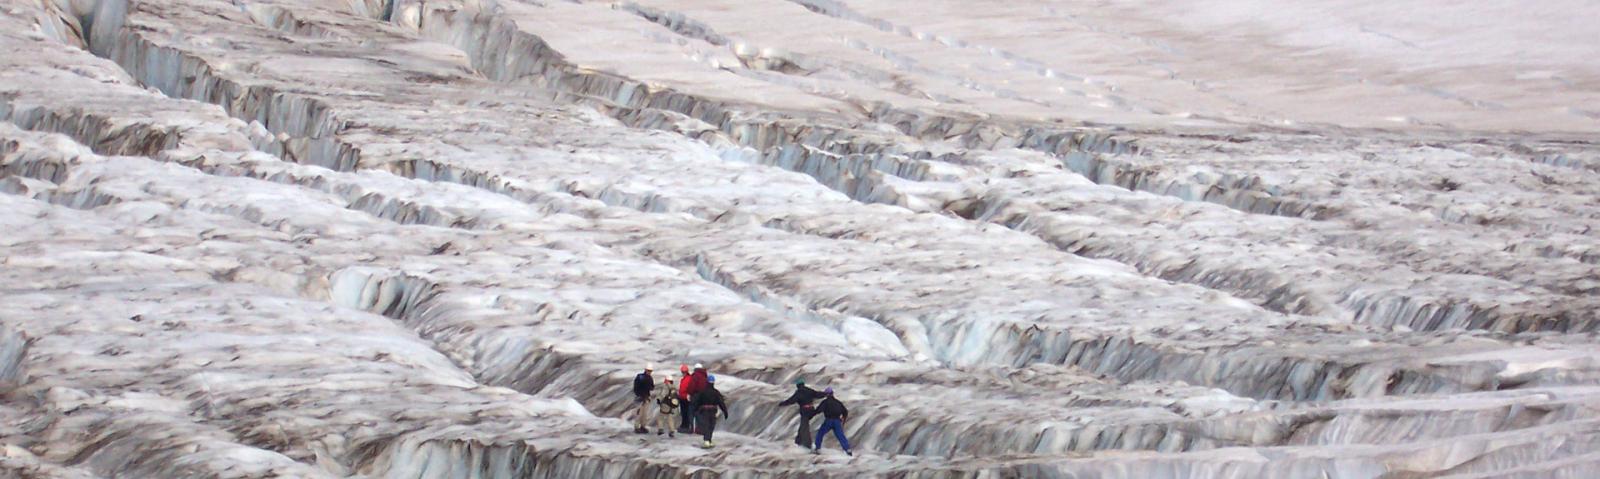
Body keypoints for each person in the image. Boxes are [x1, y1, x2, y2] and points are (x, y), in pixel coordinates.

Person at [777, 377, 823, 448]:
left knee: (804, 427)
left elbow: (791, 400)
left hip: (805, 411)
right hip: (812, 409)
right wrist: (826, 393)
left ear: (797, 386)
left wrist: (782, 404)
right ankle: (798, 440)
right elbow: (817, 394)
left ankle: (806, 444)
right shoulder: (809, 390)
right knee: (803, 425)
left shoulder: (799, 392)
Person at [691, 374, 729, 448]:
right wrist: (725, 412)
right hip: (713, 411)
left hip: (704, 411)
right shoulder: (716, 392)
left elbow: (697, 401)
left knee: (706, 425)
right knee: (711, 425)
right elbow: (721, 402)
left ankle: (707, 440)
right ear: (713, 383)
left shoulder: (702, 391)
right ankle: (708, 440)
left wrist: (694, 409)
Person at [813, 387, 851, 456]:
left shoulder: (825, 402)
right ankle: (848, 450)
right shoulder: (838, 402)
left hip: (829, 420)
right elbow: (845, 411)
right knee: (840, 436)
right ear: (832, 393)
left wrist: (811, 413)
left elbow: (818, 410)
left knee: (820, 433)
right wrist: (843, 419)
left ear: (826, 394)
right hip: (837, 421)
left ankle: (817, 448)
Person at [683, 363, 709, 432]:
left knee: (691, 412)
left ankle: (691, 428)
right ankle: (700, 428)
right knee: (700, 412)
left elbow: (692, 386)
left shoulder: (695, 376)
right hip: (703, 397)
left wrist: (689, 393)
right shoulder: (705, 376)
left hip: (695, 396)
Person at [631, 364, 655, 434]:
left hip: (646, 397)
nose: (649, 372)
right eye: (648, 371)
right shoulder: (640, 377)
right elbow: (636, 387)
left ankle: (643, 426)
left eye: (650, 371)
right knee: (639, 413)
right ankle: (637, 427)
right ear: (645, 370)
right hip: (640, 398)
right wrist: (640, 395)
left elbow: (651, 387)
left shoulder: (648, 378)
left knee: (644, 414)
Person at [677, 364, 694, 433]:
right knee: (683, 412)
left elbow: (687, 388)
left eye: (684, 372)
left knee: (686, 413)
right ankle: (684, 425)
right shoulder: (685, 379)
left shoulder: (689, 379)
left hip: (686, 398)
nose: (683, 373)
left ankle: (686, 426)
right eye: (682, 372)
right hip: (682, 397)